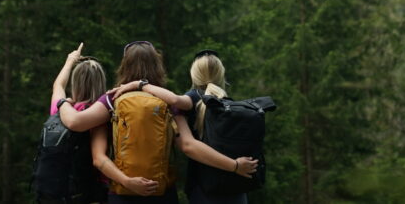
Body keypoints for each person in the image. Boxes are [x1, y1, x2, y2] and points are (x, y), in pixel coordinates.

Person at [57, 41, 257, 203]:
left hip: (121, 192)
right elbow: (188, 145)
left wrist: (61, 101)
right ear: (157, 66)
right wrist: (234, 165)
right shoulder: (166, 100)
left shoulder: (113, 98)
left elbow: (77, 124)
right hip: (161, 192)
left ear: (124, 66)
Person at [113, 49, 245, 204]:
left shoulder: (195, 97)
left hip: (204, 185)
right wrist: (236, 166)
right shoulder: (229, 102)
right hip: (236, 185)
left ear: (194, 74)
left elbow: (174, 100)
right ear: (221, 74)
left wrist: (140, 84)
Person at [44, 42, 109, 203]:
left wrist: (70, 61)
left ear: (76, 82)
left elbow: (58, 85)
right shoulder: (99, 112)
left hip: (61, 188)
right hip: (92, 189)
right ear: (101, 81)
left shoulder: (60, 109)